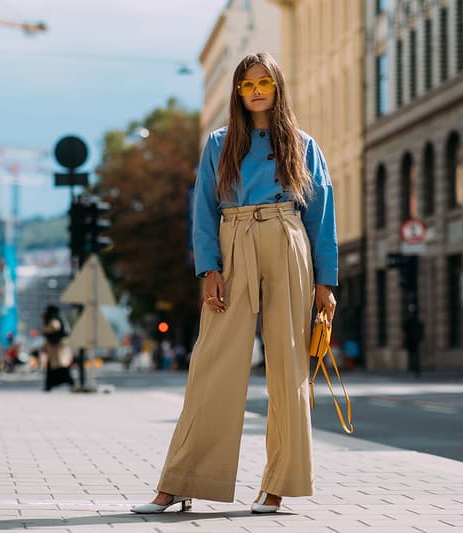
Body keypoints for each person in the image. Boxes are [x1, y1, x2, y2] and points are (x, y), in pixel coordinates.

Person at [131, 51, 338, 515]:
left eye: (264, 82)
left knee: (289, 366)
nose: (256, 90)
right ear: (237, 92)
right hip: (233, 237)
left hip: (289, 237)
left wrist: (326, 283)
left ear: (278, 87)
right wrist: (209, 269)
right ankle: (181, 481)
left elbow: (322, 216)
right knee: (212, 365)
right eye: (247, 84)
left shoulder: (304, 146)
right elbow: (202, 209)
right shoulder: (219, 144)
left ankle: (278, 487)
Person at [42, 305, 75, 391]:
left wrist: (45, 326)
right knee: (53, 367)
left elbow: (53, 327)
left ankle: (69, 381)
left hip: (57, 347)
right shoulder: (58, 318)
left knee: (59, 366)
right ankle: (49, 385)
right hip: (55, 347)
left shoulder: (54, 319)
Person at [402, 305, 423, 377]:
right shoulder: (410, 321)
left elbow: (420, 329)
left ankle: (415, 369)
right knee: (413, 355)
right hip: (411, 340)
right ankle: (413, 369)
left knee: (415, 355)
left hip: (414, 340)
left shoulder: (413, 321)